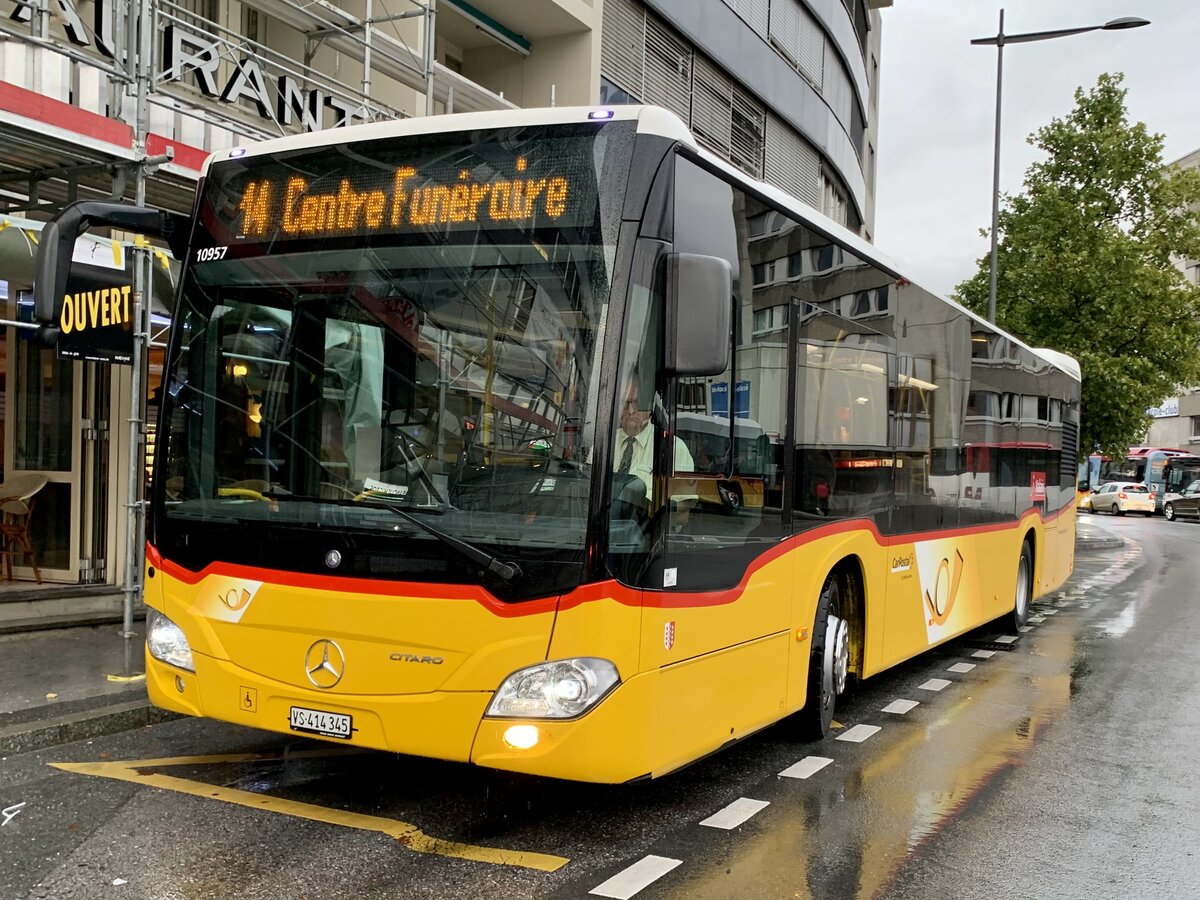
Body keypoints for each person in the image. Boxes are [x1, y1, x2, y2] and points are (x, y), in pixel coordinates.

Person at [613, 385, 697, 511]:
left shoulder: (673, 448)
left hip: (647, 528)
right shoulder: (605, 443)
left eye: (637, 403)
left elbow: (682, 511)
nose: (630, 411)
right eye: (625, 403)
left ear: (650, 406)